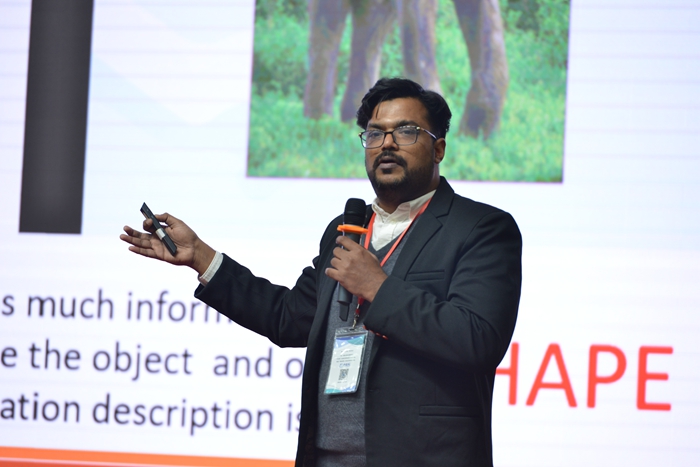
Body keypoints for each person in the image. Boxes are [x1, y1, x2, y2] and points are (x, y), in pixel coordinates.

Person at [121, 77, 522, 467]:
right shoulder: (346, 229)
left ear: (438, 148)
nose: (386, 144)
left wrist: (378, 288)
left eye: (405, 131)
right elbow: (288, 317)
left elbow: (478, 338)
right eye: (374, 133)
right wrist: (202, 257)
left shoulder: (481, 228)